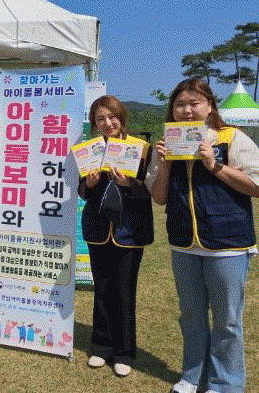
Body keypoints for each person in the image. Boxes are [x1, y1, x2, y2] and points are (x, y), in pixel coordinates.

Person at [146, 78, 259, 393]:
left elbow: (256, 186)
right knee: (191, 316)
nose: (186, 110)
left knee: (227, 320)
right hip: (184, 243)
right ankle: (193, 377)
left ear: (210, 106)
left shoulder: (230, 138)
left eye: (194, 103)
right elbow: (159, 197)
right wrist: (164, 165)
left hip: (227, 244)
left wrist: (215, 164)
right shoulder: (167, 144)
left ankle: (225, 384)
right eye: (180, 104)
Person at [78, 95, 153, 377]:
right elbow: (82, 192)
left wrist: (130, 183)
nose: (107, 123)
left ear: (121, 117)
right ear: (94, 123)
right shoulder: (91, 149)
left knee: (123, 292)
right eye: (100, 119)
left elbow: (152, 190)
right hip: (98, 230)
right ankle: (101, 347)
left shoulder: (140, 148)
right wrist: (89, 183)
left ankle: (123, 352)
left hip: (129, 231)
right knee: (102, 289)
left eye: (111, 117)